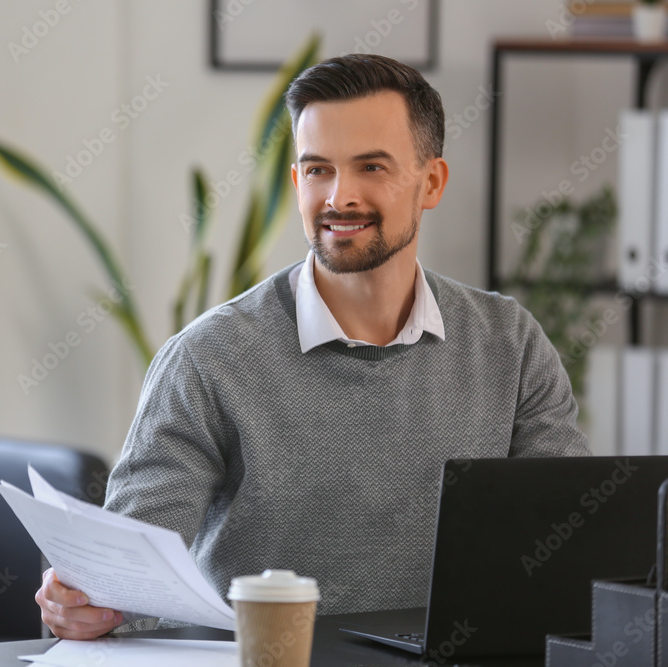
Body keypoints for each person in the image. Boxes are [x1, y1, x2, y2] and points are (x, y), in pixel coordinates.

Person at [35, 53, 590, 640]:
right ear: (298, 182)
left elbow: (571, 545)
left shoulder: (510, 342)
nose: (338, 197)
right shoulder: (208, 359)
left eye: (371, 167)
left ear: (431, 183)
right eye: (318, 170)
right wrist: (85, 605)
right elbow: (126, 583)